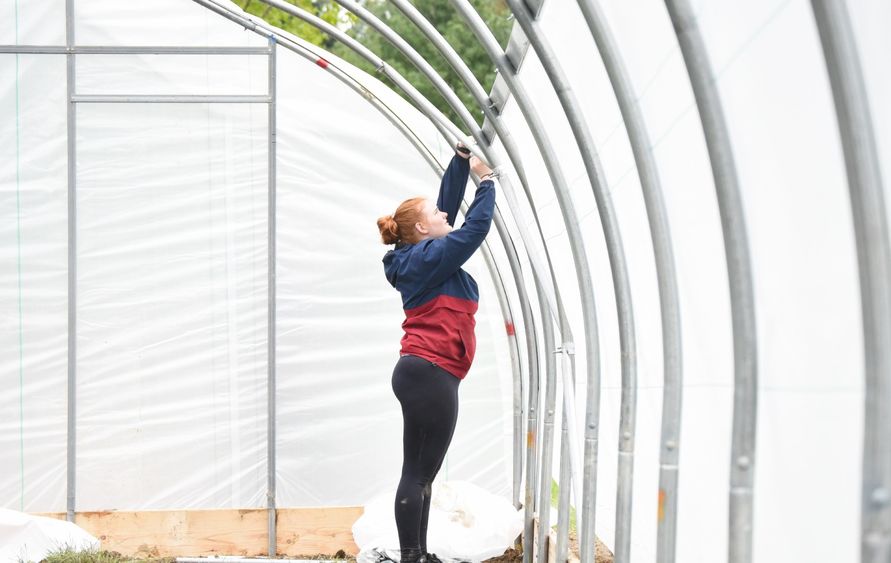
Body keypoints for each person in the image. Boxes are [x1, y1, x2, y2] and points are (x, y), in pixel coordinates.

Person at [375, 144, 496, 563]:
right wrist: (488, 182)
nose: (446, 215)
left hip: (424, 372)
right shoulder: (431, 257)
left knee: (421, 472)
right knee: (419, 473)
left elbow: (444, 210)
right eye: (437, 216)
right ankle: (413, 557)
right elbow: (473, 229)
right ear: (423, 231)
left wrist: (460, 163)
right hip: (430, 373)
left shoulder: (420, 253)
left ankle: (418, 554)